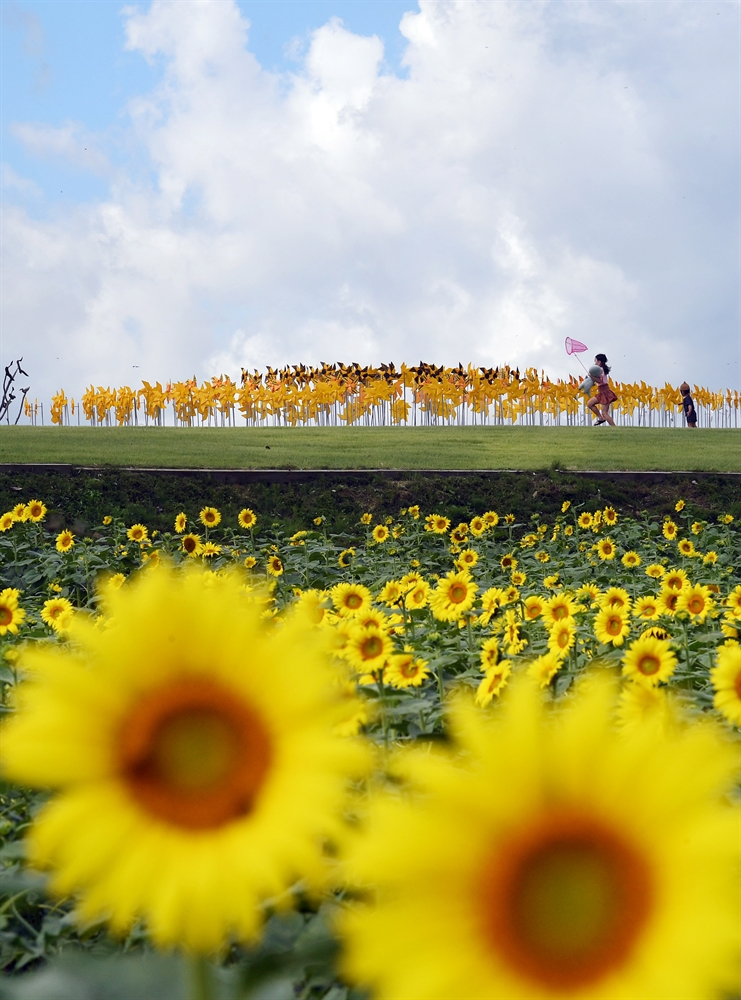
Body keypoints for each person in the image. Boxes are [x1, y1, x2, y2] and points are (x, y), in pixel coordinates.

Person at [586, 354, 617, 426]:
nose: (595, 363)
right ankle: (601, 418)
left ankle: (614, 427)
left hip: (605, 392)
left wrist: (591, 376)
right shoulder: (599, 370)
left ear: (599, 362)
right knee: (589, 404)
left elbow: (599, 381)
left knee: (604, 413)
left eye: (595, 361)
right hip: (601, 392)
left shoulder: (601, 370)